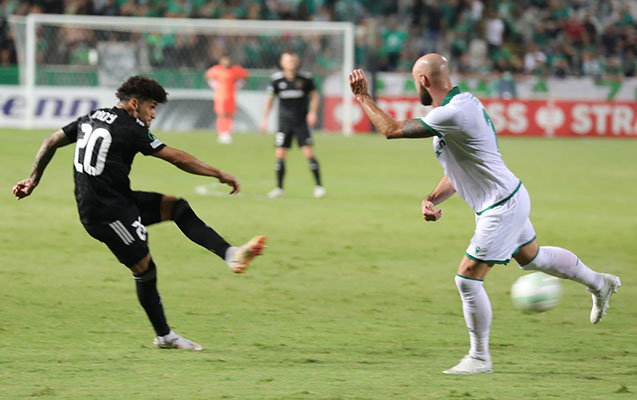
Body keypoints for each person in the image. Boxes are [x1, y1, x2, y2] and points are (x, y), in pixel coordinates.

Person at [348, 54, 621, 374]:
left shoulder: (453, 112)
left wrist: (362, 97)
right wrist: (432, 197)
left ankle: (479, 358)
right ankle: (600, 283)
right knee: (533, 258)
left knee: (467, 278)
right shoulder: (461, 105)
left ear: (423, 80)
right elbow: (460, 168)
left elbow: (391, 129)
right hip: (507, 197)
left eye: (414, 80)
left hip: (501, 206)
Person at [12, 75, 266, 351]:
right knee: (145, 269)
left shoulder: (93, 116)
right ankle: (165, 336)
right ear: (135, 103)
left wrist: (33, 179)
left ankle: (230, 254)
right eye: (152, 107)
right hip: (107, 215)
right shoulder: (131, 128)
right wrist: (218, 173)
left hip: (118, 200)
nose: (153, 114)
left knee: (177, 207)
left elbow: (51, 141)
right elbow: (177, 158)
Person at [260, 50, 325, 198]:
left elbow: (315, 96)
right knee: (280, 155)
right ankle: (279, 188)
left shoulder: (305, 79)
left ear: (297, 62)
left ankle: (319, 187)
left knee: (309, 153)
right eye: (288, 61)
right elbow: (270, 99)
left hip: (301, 123)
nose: (291, 63)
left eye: (293, 61)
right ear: (282, 63)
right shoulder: (277, 80)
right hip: (284, 123)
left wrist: (313, 112)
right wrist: (265, 118)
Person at [205, 55, 248, 144]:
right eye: (224, 60)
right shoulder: (217, 69)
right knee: (221, 114)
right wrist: (213, 83)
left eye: (227, 60)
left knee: (230, 114)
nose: (226, 62)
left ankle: (227, 132)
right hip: (220, 95)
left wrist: (239, 84)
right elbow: (207, 75)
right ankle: (221, 132)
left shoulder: (235, 69)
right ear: (220, 61)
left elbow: (245, 75)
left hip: (231, 95)